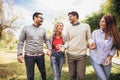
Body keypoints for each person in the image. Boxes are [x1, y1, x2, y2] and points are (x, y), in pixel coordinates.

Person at [17, 12, 52, 80]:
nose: (42, 19)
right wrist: (19, 53)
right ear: (35, 18)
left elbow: (47, 40)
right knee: (30, 76)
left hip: (40, 56)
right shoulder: (26, 28)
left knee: (43, 73)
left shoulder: (43, 29)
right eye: (40, 18)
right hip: (29, 57)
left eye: (43, 18)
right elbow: (21, 41)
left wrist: (49, 49)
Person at [60, 11, 94, 80]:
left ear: (75, 16)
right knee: (72, 76)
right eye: (68, 17)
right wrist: (64, 47)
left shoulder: (86, 26)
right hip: (70, 55)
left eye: (70, 16)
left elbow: (89, 38)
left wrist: (91, 42)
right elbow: (68, 41)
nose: (69, 18)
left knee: (81, 77)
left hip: (81, 55)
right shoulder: (68, 29)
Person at [89, 14, 120, 80]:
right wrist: (92, 43)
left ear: (109, 23)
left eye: (103, 21)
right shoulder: (95, 32)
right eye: (100, 21)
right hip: (95, 59)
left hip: (106, 61)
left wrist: (109, 57)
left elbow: (114, 47)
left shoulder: (114, 35)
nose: (100, 23)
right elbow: (91, 39)